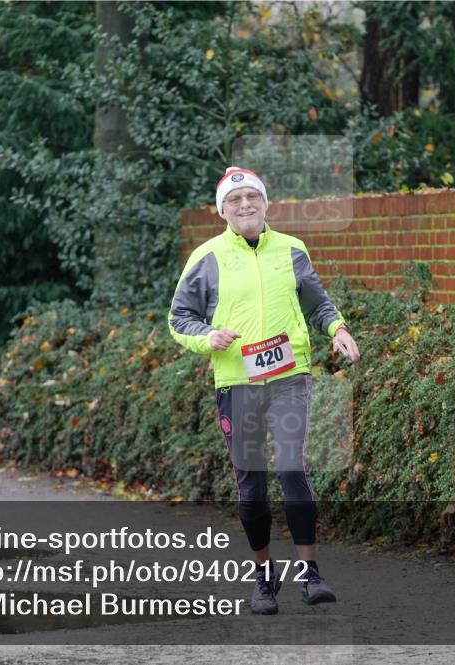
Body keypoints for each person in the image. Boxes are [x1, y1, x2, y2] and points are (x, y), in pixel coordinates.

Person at [168, 166, 360, 615]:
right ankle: (264, 577)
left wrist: (337, 329)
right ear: (223, 212)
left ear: (266, 203)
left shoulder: (292, 249)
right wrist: (206, 338)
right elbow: (180, 318)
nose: (245, 205)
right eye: (235, 201)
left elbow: (317, 302)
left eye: (252, 196)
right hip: (237, 382)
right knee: (251, 487)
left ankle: (311, 575)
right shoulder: (207, 257)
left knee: (292, 468)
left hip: (289, 376)